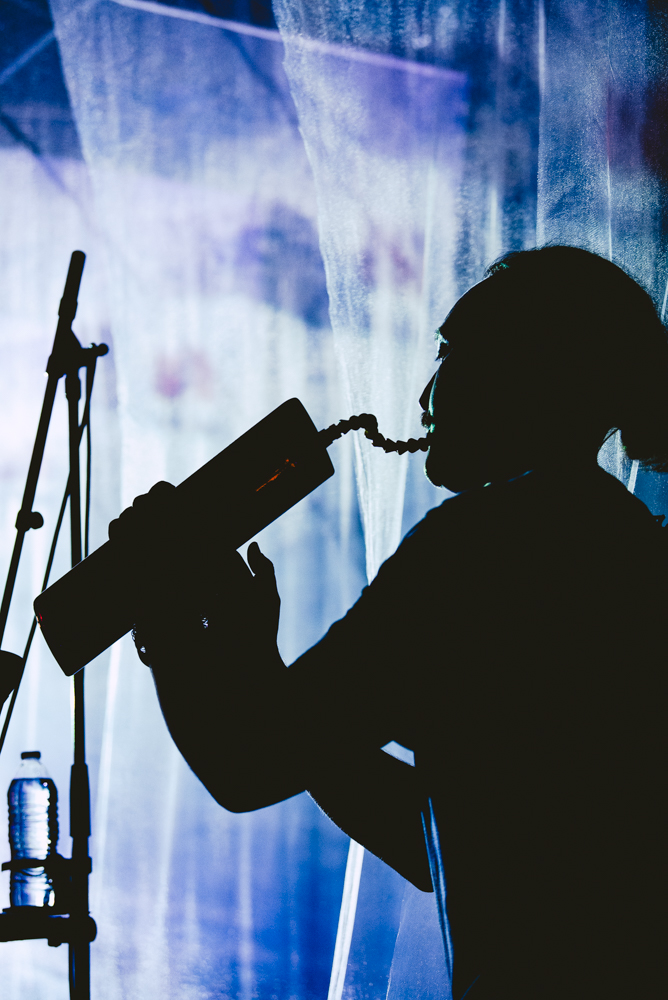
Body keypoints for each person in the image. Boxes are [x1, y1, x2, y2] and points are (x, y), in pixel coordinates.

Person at [111, 245, 667, 999]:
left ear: (523, 375)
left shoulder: (477, 550)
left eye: (450, 353)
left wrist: (165, 612)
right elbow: (438, 835)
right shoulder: (629, 545)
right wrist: (261, 673)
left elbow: (244, 765)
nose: (424, 395)